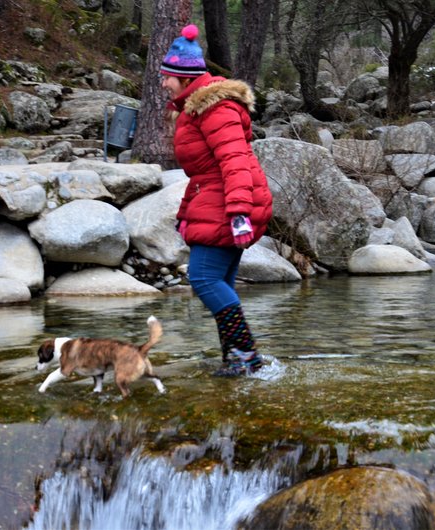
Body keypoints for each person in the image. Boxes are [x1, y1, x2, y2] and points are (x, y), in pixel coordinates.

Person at [161, 24, 273, 376]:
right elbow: (203, 175)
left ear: (182, 77)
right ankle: (237, 360)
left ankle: (246, 357)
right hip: (218, 199)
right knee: (218, 281)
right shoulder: (195, 109)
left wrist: (239, 213)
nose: (163, 83)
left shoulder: (214, 108)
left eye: (166, 77)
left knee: (204, 279)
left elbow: (235, 161)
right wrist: (184, 214)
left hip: (233, 202)